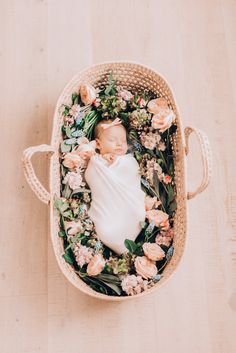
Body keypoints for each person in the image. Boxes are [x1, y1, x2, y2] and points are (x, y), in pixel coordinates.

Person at [83, 118, 146, 255]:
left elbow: (132, 172)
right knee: (104, 229)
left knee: (138, 213)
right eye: (112, 140)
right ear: (98, 144)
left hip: (129, 205)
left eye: (123, 141)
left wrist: (118, 163)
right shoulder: (96, 162)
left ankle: (128, 248)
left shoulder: (129, 161)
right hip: (107, 210)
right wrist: (101, 160)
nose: (119, 144)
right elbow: (90, 176)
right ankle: (122, 250)